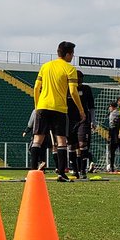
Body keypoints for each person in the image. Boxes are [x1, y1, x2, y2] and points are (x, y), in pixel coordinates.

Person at [31, 41, 85, 182]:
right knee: (61, 140)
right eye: (72, 54)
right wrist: (81, 110)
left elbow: (36, 88)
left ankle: (32, 173)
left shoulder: (45, 66)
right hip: (59, 109)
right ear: (67, 54)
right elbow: (73, 91)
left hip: (42, 107)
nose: (72, 56)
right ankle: (61, 173)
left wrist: (37, 106)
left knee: (37, 139)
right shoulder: (70, 68)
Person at [73, 82, 95, 178]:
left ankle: (83, 170)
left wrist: (93, 121)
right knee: (72, 145)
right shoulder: (68, 88)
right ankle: (75, 170)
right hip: (71, 119)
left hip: (84, 119)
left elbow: (91, 106)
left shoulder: (86, 89)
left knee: (82, 144)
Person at [106, 99, 120, 172]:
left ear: (112, 107)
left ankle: (111, 167)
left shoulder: (113, 114)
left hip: (114, 133)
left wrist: (109, 135)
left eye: (110, 107)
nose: (109, 108)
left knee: (112, 151)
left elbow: (111, 125)